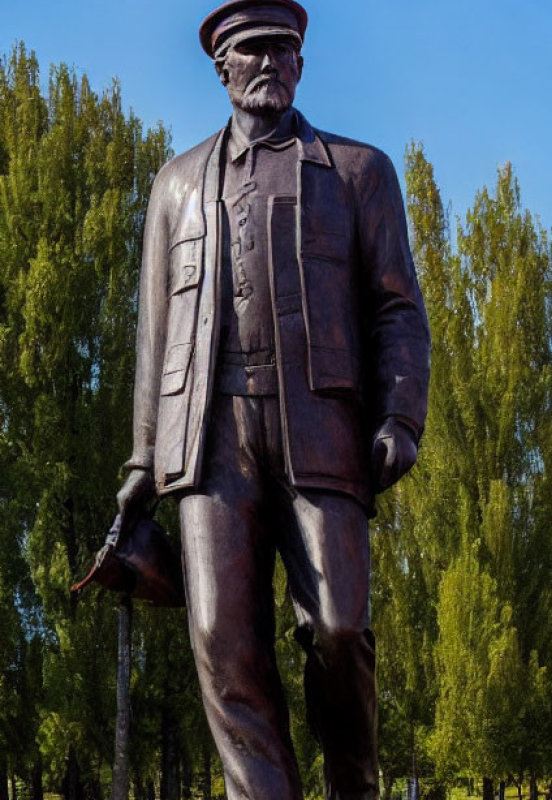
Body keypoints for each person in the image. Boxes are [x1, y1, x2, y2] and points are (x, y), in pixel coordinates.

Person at [114, 1, 430, 798]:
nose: (269, 64)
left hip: (323, 432)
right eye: (251, 51)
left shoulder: (360, 173)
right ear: (221, 68)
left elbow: (397, 306)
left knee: (338, 627)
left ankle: (354, 785)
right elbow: (155, 334)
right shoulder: (176, 186)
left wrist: (399, 415)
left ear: (302, 62)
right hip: (207, 441)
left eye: (283, 50)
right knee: (226, 646)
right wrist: (143, 459)